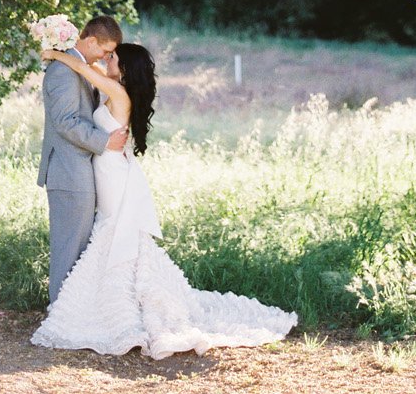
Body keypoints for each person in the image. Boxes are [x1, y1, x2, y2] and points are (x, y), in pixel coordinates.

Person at [31, 40, 297, 359]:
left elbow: (82, 68)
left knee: (115, 231)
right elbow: (94, 73)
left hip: (114, 171)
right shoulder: (117, 87)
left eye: (113, 58)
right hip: (108, 166)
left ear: (125, 69)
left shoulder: (118, 93)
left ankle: (123, 305)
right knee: (112, 230)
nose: (107, 60)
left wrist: (55, 54)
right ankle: (110, 301)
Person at [37, 15, 128, 303]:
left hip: (81, 170)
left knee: (79, 248)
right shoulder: (63, 72)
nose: (107, 57)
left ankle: (73, 310)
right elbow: (65, 121)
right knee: (68, 247)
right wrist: (104, 141)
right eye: (105, 50)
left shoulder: (79, 67)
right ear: (90, 41)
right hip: (68, 171)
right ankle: (59, 314)